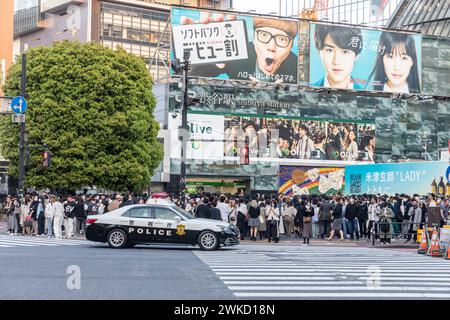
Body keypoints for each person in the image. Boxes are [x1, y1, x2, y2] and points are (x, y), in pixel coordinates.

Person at [186, 14, 298, 84]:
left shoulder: (297, 68)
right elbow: (189, 75)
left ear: (291, 46)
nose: (271, 47)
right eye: (264, 35)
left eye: (282, 39)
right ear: (254, 39)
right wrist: (198, 48)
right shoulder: (238, 52)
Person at [312, 25, 364, 89]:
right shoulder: (306, 93)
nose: (336, 62)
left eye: (345, 52)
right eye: (330, 50)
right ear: (319, 51)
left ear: (356, 56)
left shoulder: (368, 97)